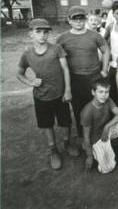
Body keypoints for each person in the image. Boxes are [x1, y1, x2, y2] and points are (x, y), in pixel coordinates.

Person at [17, 19, 79, 170]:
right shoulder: (27, 54)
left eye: (45, 32)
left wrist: (68, 90)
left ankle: (66, 143)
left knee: (65, 122)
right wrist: (31, 82)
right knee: (46, 124)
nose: (43, 35)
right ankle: (53, 150)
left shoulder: (56, 49)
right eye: (38, 32)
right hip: (42, 97)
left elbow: (65, 69)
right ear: (30, 34)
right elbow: (19, 74)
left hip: (60, 95)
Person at [57, 6, 110, 137]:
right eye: (75, 19)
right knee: (79, 108)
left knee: (97, 105)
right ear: (69, 20)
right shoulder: (62, 38)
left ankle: (98, 135)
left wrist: (104, 69)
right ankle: (84, 137)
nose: (78, 21)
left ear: (85, 19)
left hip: (94, 76)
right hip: (75, 78)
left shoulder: (94, 35)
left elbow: (106, 50)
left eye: (81, 18)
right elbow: (57, 57)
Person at [81, 78, 118, 174]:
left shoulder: (108, 100)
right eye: (100, 92)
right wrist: (89, 156)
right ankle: (93, 151)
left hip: (106, 131)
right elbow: (86, 137)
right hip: (96, 138)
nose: (104, 95)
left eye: (106, 92)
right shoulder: (87, 111)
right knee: (108, 168)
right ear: (93, 92)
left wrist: (106, 127)